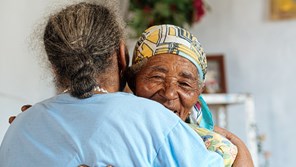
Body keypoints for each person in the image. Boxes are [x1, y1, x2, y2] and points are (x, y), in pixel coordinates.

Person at [0, 2, 224, 166]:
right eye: (156, 77)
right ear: (121, 53)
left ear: (54, 67)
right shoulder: (154, 121)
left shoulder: (20, 128)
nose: (169, 93)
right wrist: (241, 150)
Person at [125, 24, 253, 167]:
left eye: (184, 84)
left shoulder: (216, 148)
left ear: (198, 93)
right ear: (132, 81)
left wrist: (241, 148)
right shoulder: (116, 133)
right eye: (157, 77)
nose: (169, 93)